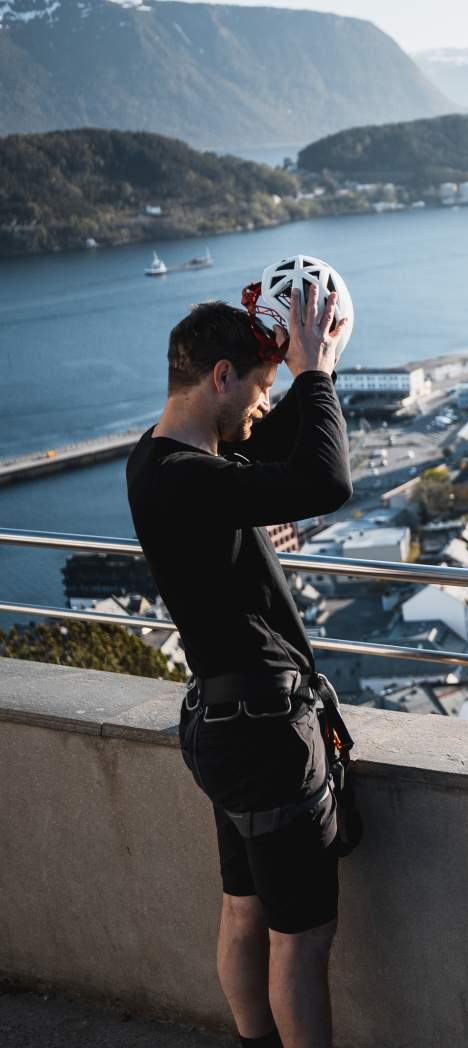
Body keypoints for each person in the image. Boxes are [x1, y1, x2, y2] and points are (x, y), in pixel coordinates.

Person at [126, 284, 354, 1048]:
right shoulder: (192, 478)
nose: (263, 407)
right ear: (219, 377)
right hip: (263, 734)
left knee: (243, 908)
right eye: (255, 390)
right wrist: (313, 377)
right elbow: (326, 481)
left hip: (225, 724)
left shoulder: (159, 461)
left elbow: (278, 444)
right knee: (303, 938)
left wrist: (310, 367)